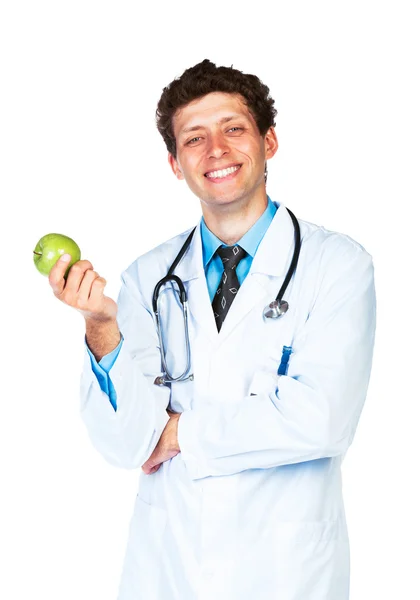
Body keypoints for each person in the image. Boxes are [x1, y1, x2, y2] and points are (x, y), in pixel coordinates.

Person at [48, 59, 376, 600]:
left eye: (233, 129)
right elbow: (128, 442)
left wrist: (181, 432)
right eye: (194, 138)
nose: (215, 150)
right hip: (169, 566)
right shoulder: (148, 277)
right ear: (176, 164)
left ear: (269, 142)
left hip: (285, 570)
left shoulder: (337, 266)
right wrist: (102, 326)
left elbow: (323, 419)